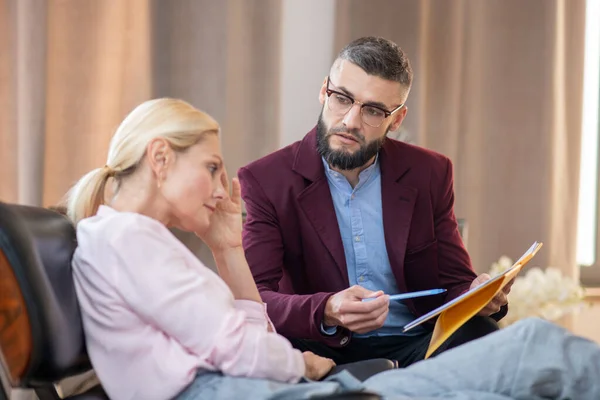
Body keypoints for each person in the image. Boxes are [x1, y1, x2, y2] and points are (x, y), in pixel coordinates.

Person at [66, 97, 600, 400]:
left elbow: (248, 339)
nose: (222, 186)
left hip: (279, 389)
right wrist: (305, 364)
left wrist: (228, 250)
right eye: (211, 168)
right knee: (532, 352)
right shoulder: (124, 239)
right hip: (285, 391)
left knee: (529, 355)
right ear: (160, 159)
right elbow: (243, 353)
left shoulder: (138, 243)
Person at [238, 36, 507, 367]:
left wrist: (478, 293)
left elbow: (454, 283)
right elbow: (254, 300)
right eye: (342, 98)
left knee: (484, 332)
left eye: (374, 110)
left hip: (417, 344)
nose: (351, 121)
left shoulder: (429, 173)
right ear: (324, 91)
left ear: (396, 119)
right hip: (322, 349)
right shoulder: (267, 180)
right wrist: (327, 309)